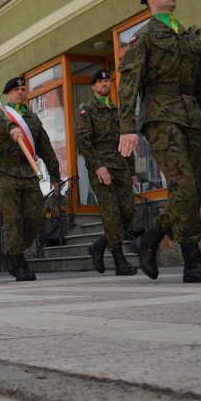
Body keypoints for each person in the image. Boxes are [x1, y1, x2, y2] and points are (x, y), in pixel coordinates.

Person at [117, 0, 201, 283]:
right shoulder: (146, 37)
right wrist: (127, 127)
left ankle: (153, 235)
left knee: (199, 188)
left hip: (190, 117)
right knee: (183, 184)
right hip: (160, 116)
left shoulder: (187, 37)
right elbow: (128, 84)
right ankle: (192, 260)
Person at [0, 76, 61, 281]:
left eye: (23, 89)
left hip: (28, 172)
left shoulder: (32, 118)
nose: (21, 92)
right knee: (13, 218)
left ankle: (14, 251)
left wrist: (55, 175)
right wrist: (11, 126)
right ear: (8, 93)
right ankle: (18, 260)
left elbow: (45, 148)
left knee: (37, 217)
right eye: (16, 89)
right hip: (7, 172)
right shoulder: (0, 113)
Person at [76, 69, 138, 276]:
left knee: (128, 210)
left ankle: (99, 245)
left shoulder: (117, 110)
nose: (104, 84)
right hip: (101, 165)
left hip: (120, 163)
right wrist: (97, 166)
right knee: (111, 212)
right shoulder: (87, 109)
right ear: (93, 87)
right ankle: (119, 259)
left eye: (107, 81)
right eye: (100, 82)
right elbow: (83, 141)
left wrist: (132, 170)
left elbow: (126, 141)